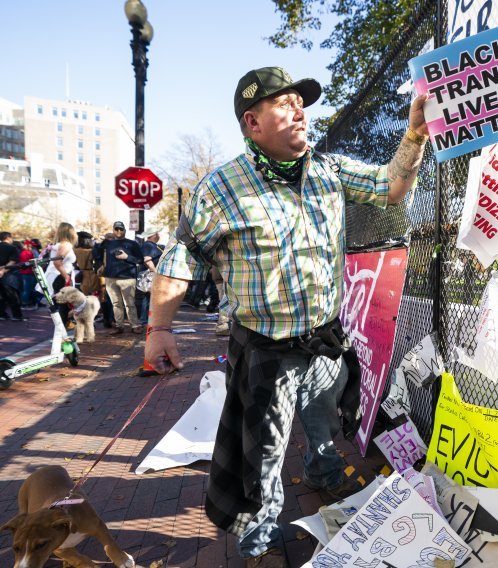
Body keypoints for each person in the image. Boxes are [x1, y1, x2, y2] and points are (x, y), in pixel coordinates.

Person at [145, 66, 427, 567]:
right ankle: (258, 543)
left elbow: (391, 187)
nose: (299, 109)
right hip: (266, 349)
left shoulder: (330, 171)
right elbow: (183, 256)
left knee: (324, 419)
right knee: (266, 455)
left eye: (301, 100)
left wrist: (414, 133)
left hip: (323, 340)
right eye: (284, 103)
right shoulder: (222, 189)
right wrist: (159, 330)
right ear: (252, 122)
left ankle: (321, 471)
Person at [99, 221, 143, 334]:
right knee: (116, 303)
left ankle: (135, 325)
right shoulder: (107, 244)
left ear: (125, 230)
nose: (119, 231)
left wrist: (127, 257)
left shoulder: (133, 244)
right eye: (116, 229)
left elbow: (140, 259)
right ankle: (119, 326)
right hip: (110, 278)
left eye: (121, 229)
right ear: (113, 230)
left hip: (127, 278)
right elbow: (97, 254)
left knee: (130, 303)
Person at [41, 222, 78, 326]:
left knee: (60, 306)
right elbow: (57, 262)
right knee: (64, 307)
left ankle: (61, 334)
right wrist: (66, 277)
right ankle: (61, 336)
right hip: (61, 276)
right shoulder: (66, 245)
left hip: (57, 276)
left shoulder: (58, 245)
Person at [137, 228, 163, 325]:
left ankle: (146, 319)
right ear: (154, 235)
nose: (159, 235)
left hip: (151, 274)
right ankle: (145, 319)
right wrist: (155, 271)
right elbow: (147, 259)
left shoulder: (150, 245)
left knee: (149, 297)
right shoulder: (148, 245)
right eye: (158, 233)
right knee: (148, 297)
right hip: (150, 275)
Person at [0, 231, 24, 321]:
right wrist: (3, 270)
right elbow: (13, 261)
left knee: (1, 296)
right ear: (8, 238)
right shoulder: (12, 248)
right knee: (13, 295)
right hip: (9, 275)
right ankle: (17, 316)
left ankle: (2, 314)